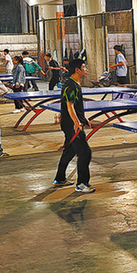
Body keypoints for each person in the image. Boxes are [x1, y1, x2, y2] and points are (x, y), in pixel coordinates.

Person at [52, 59, 95, 193]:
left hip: (70, 123)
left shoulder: (73, 83)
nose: (86, 69)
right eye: (84, 67)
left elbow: (74, 105)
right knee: (85, 153)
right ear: (77, 70)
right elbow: (69, 106)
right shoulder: (71, 85)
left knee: (70, 150)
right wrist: (77, 122)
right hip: (72, 125)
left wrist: (83, 118)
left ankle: (59, 178)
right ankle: (82, 184)